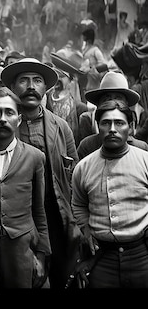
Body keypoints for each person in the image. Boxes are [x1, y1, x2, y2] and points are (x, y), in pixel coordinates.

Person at [1, 57, 81, 288]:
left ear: (45, 88)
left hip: (54, 213)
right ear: (14, 88)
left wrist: (73, 220)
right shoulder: (5, 126)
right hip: (18, 215)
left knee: (58, 274)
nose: (30, 86)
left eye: (37, 80)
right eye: (23, 80)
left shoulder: (60, 126)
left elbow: (72, 172)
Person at [0, 87, 51, 288]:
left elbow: (39, 210)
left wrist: (41, 255)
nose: (2, 118)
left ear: (19, 120)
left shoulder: (34, 157)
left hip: (21, 250)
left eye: (9, 112)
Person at [72, 99, 148, 288]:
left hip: (141, 254)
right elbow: (79, 204)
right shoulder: (84, 167)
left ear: (131, 127)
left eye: (119, 123)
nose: (112, 129)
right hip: (102, 256)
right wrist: (86, 229)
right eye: (106, 123)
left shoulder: (145, 161)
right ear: (98, 127)